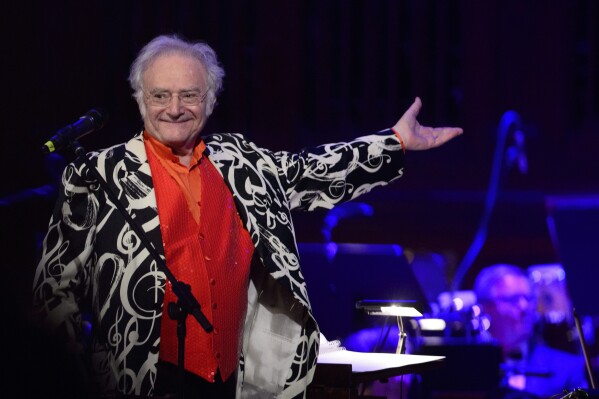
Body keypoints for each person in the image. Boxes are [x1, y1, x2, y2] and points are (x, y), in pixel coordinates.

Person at [32, 34, 462, 398]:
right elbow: (53, 287)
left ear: (210, 100)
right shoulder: (98, 173)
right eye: (160, 95)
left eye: (189, 95)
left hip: (236, 380)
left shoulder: (242, 163)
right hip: (135, 379)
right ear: (141, 99)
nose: (174, 108)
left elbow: (311, 171)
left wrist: (395, 143)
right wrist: (75, 378)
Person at [474, 264, 588, 398]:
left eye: (528, 299)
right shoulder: (468, 368)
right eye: (512, 299)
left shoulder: (568, 368)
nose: (524, 307)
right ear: (486, 307)